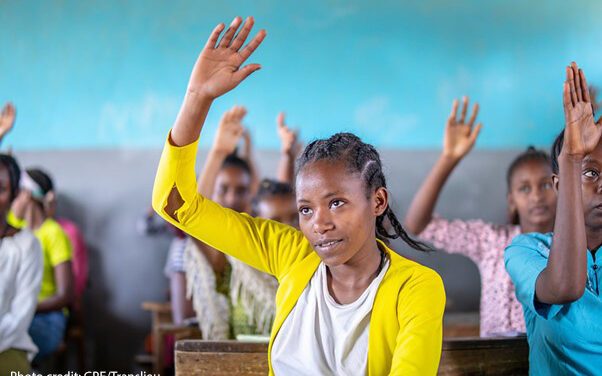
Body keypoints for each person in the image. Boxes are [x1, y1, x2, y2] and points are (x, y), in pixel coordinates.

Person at [152, 16, 445, 374]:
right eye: (305, 209)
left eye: (336, 203)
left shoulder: (415, 288)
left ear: (377, 202)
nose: (319, 223)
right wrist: (197, 98)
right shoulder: (293, 256)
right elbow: (175, 204)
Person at [403, 98, 556, 336]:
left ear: (561, 188)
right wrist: (449, 158)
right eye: (524, 189)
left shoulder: (571, 245)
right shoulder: (490, 240)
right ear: (511, 201)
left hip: (545, 361)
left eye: (546, 185)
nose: (536, 196)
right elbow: (418, 224)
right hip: (491, 359)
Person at [505, 62, 602, 374]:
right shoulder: (526, 250)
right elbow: (563, 288)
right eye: (591, 173)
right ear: (561, 183)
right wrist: (572, 158)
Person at [11, 168, 74, 362]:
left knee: (10, 341)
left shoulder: (54, 233)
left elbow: (65, 295)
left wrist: (26, 308)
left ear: (27, 194)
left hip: (47, 319)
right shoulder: (12, 228)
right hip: (15, 315)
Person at [0, 154, 43, 374]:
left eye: (1, 189)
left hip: (7, 345)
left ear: (15, 194)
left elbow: (19, 316)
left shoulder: (26, 245)